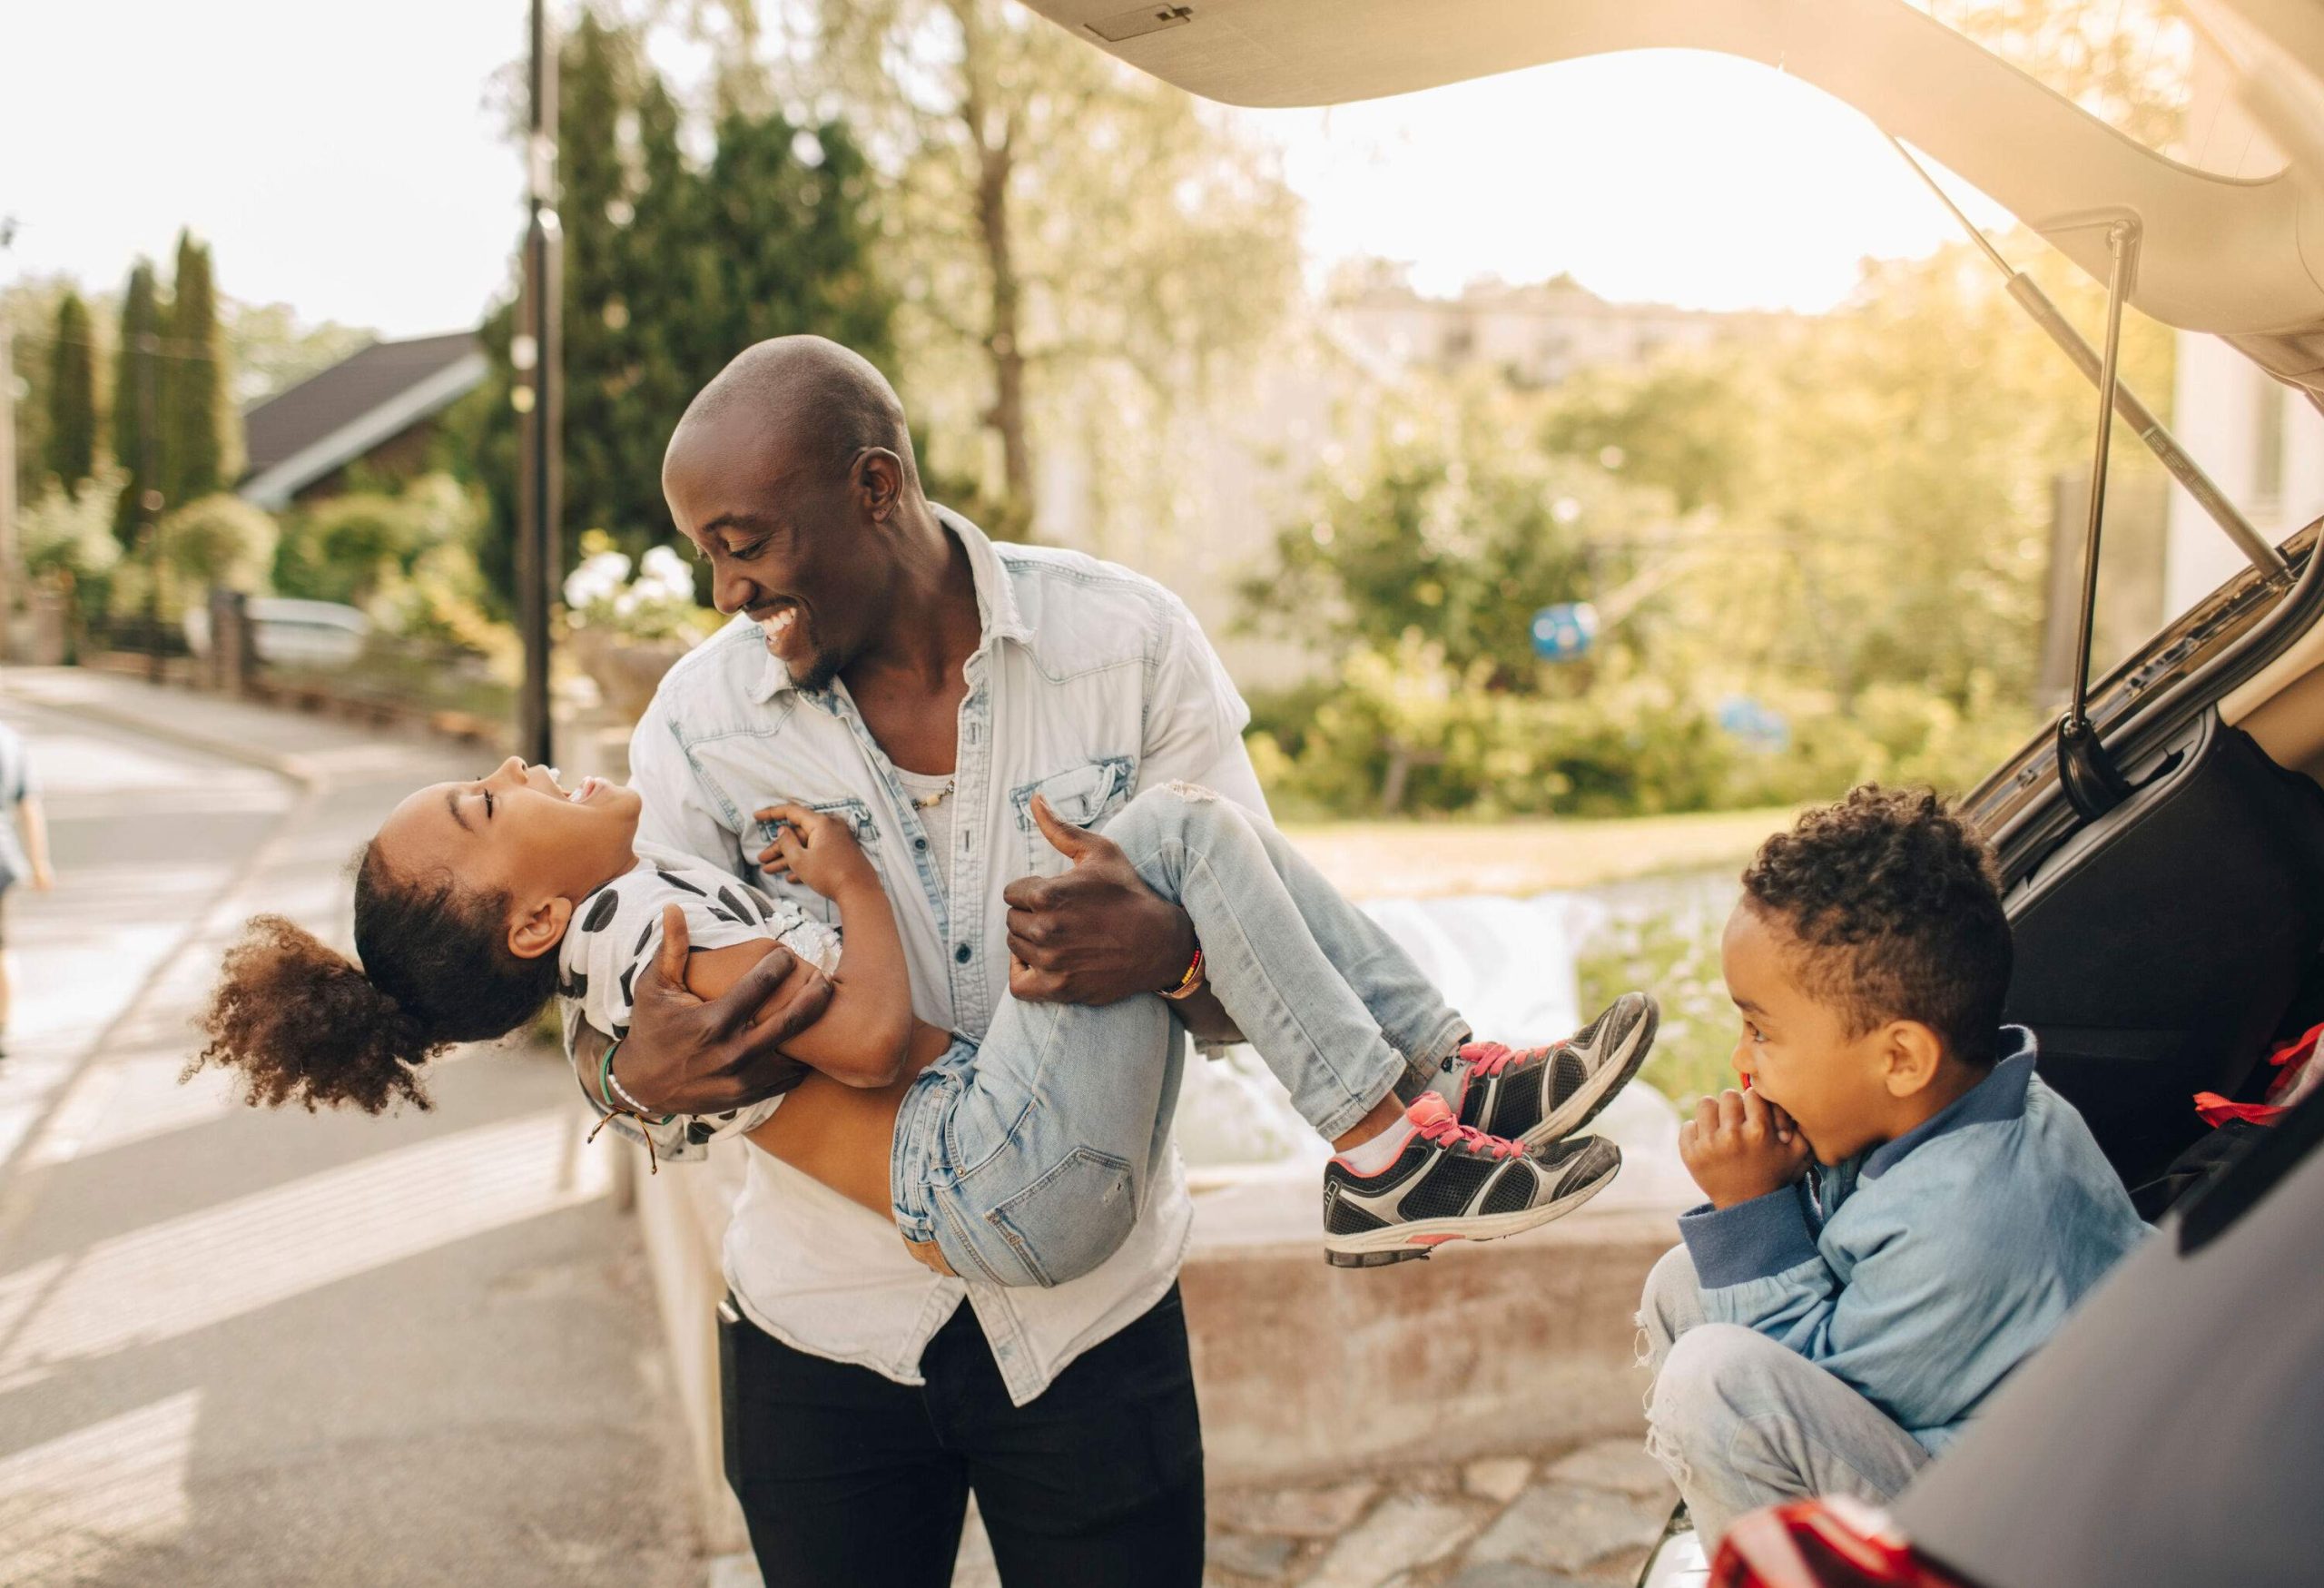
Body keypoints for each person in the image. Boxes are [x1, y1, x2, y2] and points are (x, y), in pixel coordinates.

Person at [192, 759, 1646, 1282]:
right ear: (525, 921)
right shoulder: (647, 942)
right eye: (482, 803)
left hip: (1003, 1144)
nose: (511, 763)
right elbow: (875, 1044)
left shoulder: (636, 906)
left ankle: (1449, 1084)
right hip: (990, 1173)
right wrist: (848, 880)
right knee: (1184, 834)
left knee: (1186, 833)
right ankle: (1395, 1151)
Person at [1636, 785, 2148, 1543]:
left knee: (1715, 1379)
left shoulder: (1970, 1224)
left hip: (2026, 1532)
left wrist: (1752, 1210)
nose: (1741, 1061)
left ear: (1901, 1057)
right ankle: (1727, 1524)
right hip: (1964, 1445)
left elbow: (1816, 1390)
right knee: (1683, 1280)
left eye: (1762, 1032)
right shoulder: (1957, 1105)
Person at [0, 719, 55, 1061]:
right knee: (2, 950)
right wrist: (39, 863)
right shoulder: (10, 740)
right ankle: (3, 1028)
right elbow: (29, 807)